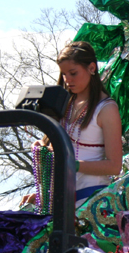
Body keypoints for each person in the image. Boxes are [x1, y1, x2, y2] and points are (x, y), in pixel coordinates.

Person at [23, 41, 123, 208]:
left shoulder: (106, 108)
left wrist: (71, 164)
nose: (67, 80)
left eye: (73, 73)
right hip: (59, 201)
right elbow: (52, 152)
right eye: (63, 74)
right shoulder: (64, 104)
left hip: (92, 202)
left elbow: (114, 166)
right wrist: (41, 149)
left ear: (92, 68)